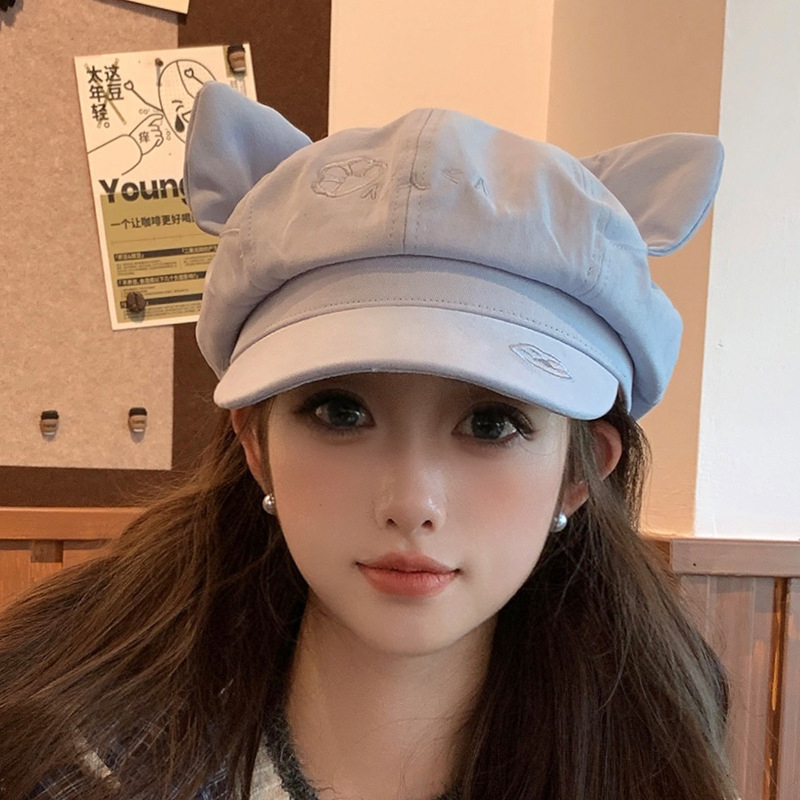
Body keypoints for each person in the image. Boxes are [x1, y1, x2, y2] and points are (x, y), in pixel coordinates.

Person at [0, 82, 737, 800]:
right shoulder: (77, 763)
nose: (411, 503)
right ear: (256, 445)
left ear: (581, 475)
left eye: (491, 424)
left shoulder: (652, 752)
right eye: (340, 412)